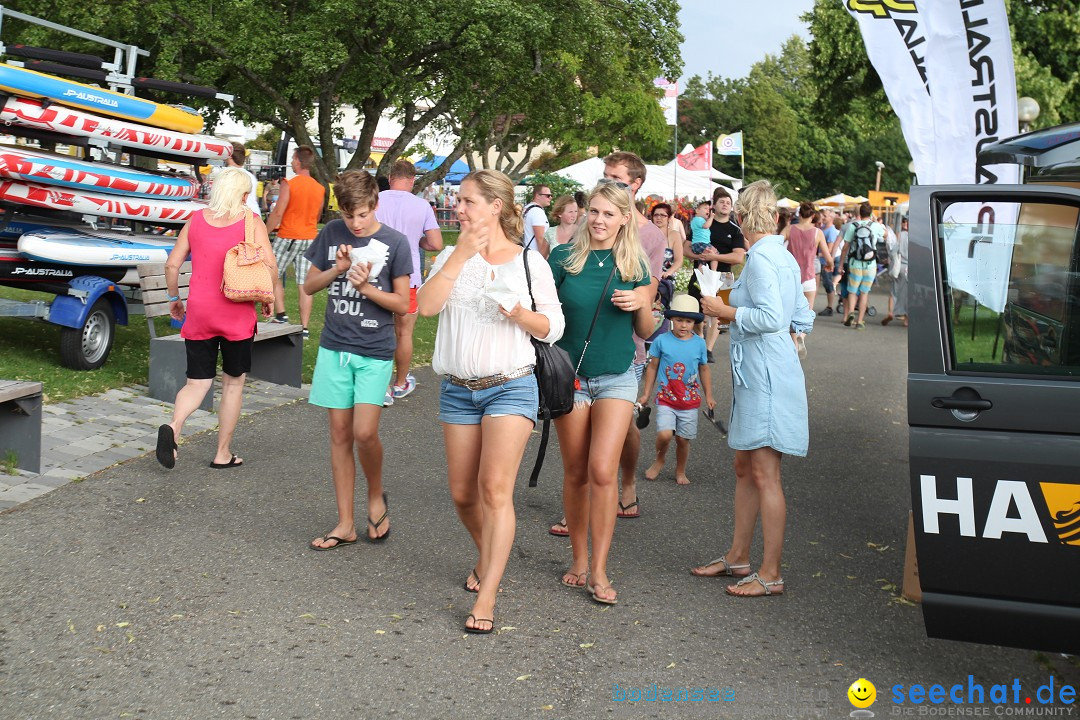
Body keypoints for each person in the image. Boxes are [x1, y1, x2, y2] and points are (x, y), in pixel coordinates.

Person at [417, 169, 564, 634]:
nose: (458, 208)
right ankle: (490, 555)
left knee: (494, 490)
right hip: (458, 388)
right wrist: (459, 255)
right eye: (458, 201)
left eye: (467, 202)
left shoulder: (528, 263)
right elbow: (425, 307)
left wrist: (521, 314)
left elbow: (553, 327)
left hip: (511, 384)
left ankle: (488, 595)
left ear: (495, 206)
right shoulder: (450, 257)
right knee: (463, 494)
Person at [692, 179, 814, 597]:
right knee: (745, 467)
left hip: (764, 376)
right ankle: (739, 556)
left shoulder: (764, 260)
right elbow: (801, 314)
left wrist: (725, 310)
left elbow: (771, 317)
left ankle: (771, 572)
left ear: (742, 217)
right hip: (764, 371)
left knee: (765, 473)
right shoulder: (779, 256)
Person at [548, 179, 655, 604]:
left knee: (602, 471)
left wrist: (641, 305)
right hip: (569, 377)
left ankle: (600, 569)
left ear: (625, 218)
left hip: (616, 376)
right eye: (593, 211)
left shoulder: (634, 265)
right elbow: (547, 321)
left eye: (609, 213)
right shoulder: (561, 259)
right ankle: (577, 559)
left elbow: (644, 332)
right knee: (575, 472)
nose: (599, 220)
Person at [303, 171, 412, 550]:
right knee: (339, 434)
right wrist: (338, 268)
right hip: (335, 347)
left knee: (365, 433)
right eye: (349, 215)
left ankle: (376, 494)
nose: (356, 223)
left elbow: (402, 304)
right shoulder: (333, 233)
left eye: (362, 214)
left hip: (374, 349)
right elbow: (308, 286)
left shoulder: (395, 242)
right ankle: (345, 523)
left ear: (375, 205)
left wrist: (365, 286)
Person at [156, 167, 278, 470]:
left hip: (199, 313)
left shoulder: (196, 220)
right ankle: (222, 453)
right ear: (246, 195)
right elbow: (271, 269)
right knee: (233, 383)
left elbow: (172, 266)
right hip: (237, 316)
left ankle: (174, 426)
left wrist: (174, 299)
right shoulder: (252, 222)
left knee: (196, 383)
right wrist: (266, 298)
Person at [374, 159, 444, 405]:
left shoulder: (376, 201)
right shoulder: (422, 205)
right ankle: (400, 383)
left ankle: (378, 388)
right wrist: (417, 242)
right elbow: (436, 244)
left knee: (377, 329)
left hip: (377, 273)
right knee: (404, 333)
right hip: (408, 275)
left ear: (391, 176)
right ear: (413, 180)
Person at [638, 295, 714, 485]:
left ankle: (680, 470)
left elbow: (704, 369)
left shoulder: (699, 344)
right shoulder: (661, 341)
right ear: (671, 319)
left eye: (688, 321)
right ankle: (659, 460)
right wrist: (646, 393)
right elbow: (653, 367)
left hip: (689, 402)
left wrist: (709, 395)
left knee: (682, 439)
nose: (683, 325)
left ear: (694, 322)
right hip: (666, 399)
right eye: (679, 320)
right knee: (664, 434)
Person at [266, 145, 326, 336]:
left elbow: (278, 213)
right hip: (310, 238)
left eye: (293, 159)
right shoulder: (319, 188)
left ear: (299, 161)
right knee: (304, 284)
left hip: (288, 235)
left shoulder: (289, 183)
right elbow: (317, 216)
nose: (291, 162)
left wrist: (263, 233)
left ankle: (281, 314)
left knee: (271, 273)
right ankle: (305, 328)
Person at [686, 187, 745, 362]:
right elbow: (685, 249)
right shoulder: (700, 223)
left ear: (732, 207)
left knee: (719, 316)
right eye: (722, 202)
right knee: (696, 312)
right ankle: (700, 339)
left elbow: (738, 256)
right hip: (701, 273)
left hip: (724, 277)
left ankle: (709, 349)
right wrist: (701, 256)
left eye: (728, 202)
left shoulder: (735, 230)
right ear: (714, 206)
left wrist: (715, 257)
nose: (725, 204)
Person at [781, 202, 832, 357]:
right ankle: (801, 336)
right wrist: (830, 265)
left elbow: (776, 244)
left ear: (799, 214)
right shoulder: (818, 233)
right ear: (813, 215)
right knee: (807, 313)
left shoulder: (789, 229)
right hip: (809, 277)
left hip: (791, 278)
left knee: (790, 314)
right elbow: (828, 256)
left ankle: (794, 345)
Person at [840, 202, 883, 329]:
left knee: (852, 291)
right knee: (864, 293)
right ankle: (859, 322)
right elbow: (885, 235)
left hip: (855, 264)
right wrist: (875, 221)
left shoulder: (853, 226)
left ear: (859, 213)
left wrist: (841, 264)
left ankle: (851, 312)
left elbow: (845, 248)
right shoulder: (875, 226)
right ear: (870, 213)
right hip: (870, 265)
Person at [882, 217, 909, 327]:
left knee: (894, 291)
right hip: (911, 267)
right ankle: (907, 319)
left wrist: (890, 260)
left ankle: (890, 312)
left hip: (899, 267)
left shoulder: (901, 235)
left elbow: (893, 251)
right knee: (909, 294)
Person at [225, 141, 261, 217]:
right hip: (254, 214)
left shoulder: (228, 174)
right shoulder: (251, 176)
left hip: (241, 216)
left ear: (230, 156)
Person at [650, 203, 685, 280]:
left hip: (665, 278)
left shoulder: (674, 235)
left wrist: (668, 272)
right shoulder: (647, 234)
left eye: (662, 215)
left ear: (668, 218)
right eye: (656, 215)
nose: (659, 218)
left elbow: (679, 260)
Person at [817, 208, 840, 316]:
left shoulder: (831, 230)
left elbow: (830, 249)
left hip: (826, 261)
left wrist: (817, 254)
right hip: (822, 260)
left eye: (825, 216)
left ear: (831, 218)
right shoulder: (822, 228)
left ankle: (830, 306)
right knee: (826, 283)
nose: (823, 218)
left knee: (828, 283)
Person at [522, 185, 552, 257]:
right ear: (537, 196)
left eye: (551, 195)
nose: (550, 198)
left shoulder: (527, 208)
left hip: (525, 253)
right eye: (547, 195)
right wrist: (543, 259)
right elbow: (540, 239)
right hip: (535, 256)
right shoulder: (537, 211)